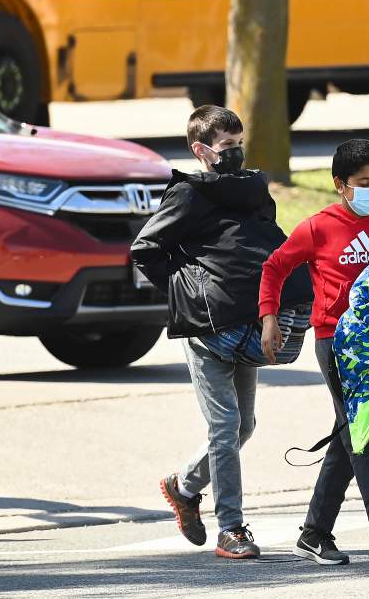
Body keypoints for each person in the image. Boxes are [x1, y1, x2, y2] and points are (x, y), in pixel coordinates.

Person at [132, 106, 312, 560]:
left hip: (249, 318)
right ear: (201, 150)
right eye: (226, 147)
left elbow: (267, 238)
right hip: (207, 327)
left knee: (243, 426)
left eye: (238, 144)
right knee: (226, 425)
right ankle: (231, 528)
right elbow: (146, 249)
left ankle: (183, 485)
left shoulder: (253, 189)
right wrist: (190, 289)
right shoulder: (188, 195)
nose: (235, 153)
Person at [258, 139, 369, 568]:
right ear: (341, 185)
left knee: (348, 432)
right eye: (363, 183)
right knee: (365, 432)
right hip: (336, 341)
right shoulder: (318, 227)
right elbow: (274, 267)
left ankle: (314, 532)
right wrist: (269, 317)